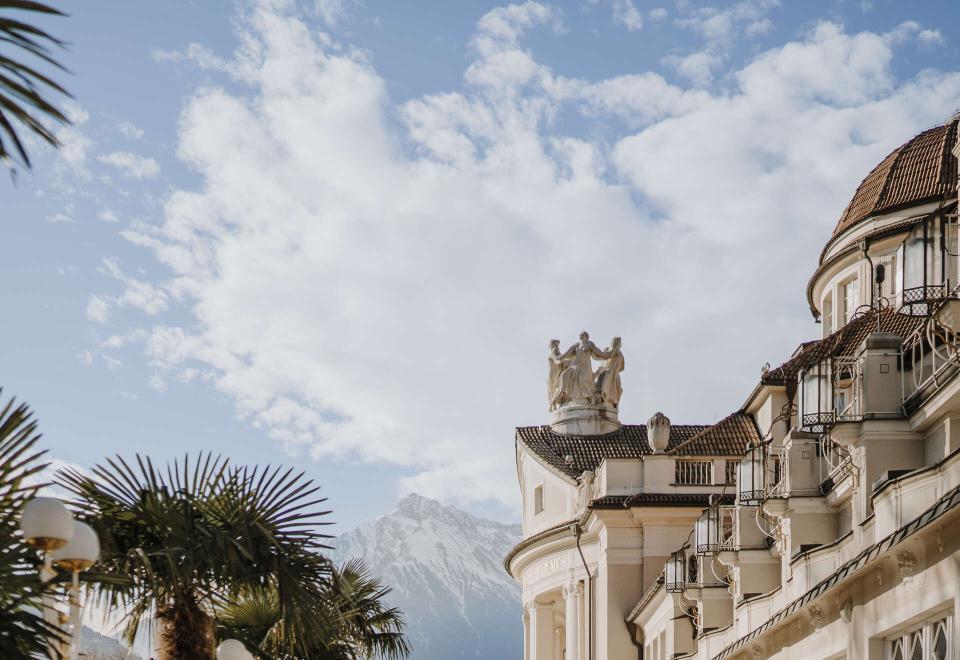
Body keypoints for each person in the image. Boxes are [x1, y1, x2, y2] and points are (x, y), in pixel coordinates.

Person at [559, 331, 607, 404]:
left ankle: (591, 397)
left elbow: (598, 353)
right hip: (575, 366)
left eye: (581, 334)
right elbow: (567, 354)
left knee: (583, 380)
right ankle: (563, 391)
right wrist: (559, 358)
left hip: (585, 367)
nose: (579, 335)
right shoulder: (576, 345)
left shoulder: (589, 344)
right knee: (564, 375)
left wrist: (606, 355)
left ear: (585, 336)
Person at [595, 336, 624, 408]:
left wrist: (615, 370)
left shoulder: (620, 354)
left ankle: (615, 403)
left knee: (619, 388)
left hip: (615, 373)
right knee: (607, 377)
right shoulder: (611, 351)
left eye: (617, 342)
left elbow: (622, 367)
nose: (616, 343)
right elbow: (604, 357)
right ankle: (604, 396)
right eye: (615, 342)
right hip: (609, 371)